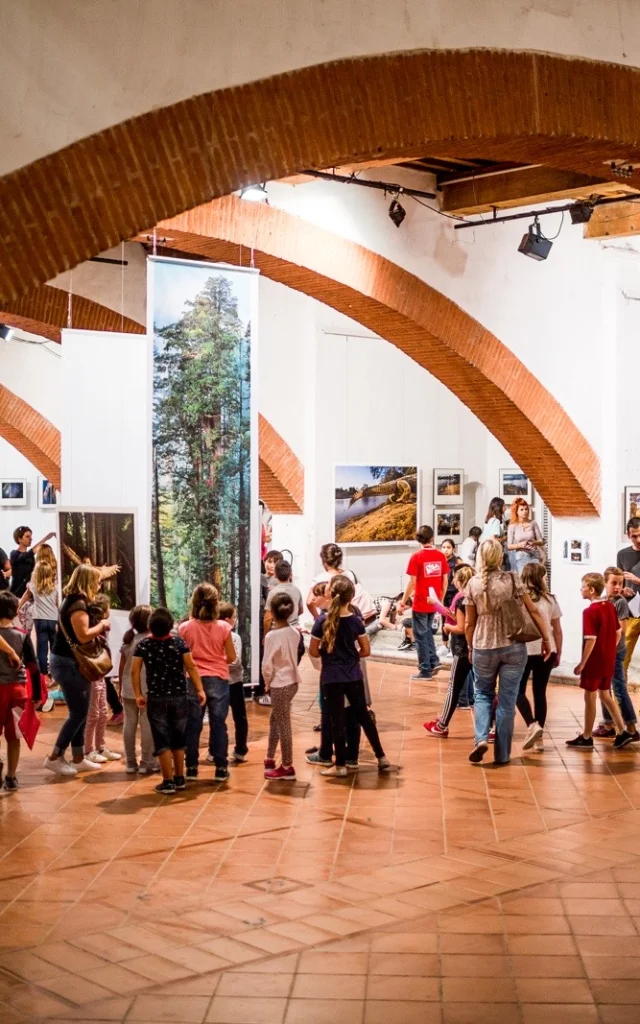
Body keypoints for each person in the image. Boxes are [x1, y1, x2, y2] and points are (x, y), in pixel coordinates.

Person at [465, 537, 551, 766]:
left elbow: (469, 624)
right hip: (513, 647)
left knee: (482, 694)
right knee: (506, 701)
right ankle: (502, 754)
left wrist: (470, 646)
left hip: (483, 645)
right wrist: (546, 638)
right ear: (500, 556)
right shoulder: (513, 579)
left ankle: (481, 738)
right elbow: (533, 610)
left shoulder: (473, 584)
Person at [309, 575, 391, 777]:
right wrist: (351, 656)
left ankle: (341, 766)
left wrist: (329, 656)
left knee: (336, 719)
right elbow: (366, 650)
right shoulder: (355, 621)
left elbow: (313, 651)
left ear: (330, 594)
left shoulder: (322, 621)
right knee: (362, 715)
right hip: (353, 674)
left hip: (331, 676)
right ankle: (381, 757)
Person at [44, 565, 111, 776]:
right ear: (88, 581)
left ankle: (79, 756)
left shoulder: (72, 601)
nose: (99, 585)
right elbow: (83, 636)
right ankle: (55, 756)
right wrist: (102, 626)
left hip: (68, 661)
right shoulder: (78, 604)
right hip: (69, 663)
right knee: (79, 712)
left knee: (81, 711)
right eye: (97, 581)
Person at [132, 607, 206, 794]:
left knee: (162, 739)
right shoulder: (179, 643)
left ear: (150, 626)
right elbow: (191, 666)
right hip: (179, 697)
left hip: (156, 698)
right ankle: (180, 778)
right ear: (170, 625)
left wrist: (138, 694)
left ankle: (168, 781)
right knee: (178, 739)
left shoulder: (143, 645)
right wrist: (199, 689)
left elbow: (134, 671)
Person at [567, 573, 634, 750]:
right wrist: (609, 649)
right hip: (608, 659)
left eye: (582, 586)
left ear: (591, 589)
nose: (580, 589)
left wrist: (582, 663)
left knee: (590, 696)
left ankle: (587, 736)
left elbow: (591, 639)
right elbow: (618, 632)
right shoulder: (609, 607)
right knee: (605, 694)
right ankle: (622, 731)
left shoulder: (590, 611)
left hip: (595, 661)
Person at [179, 583, 236, 783]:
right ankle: (221, 768)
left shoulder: (185, 628)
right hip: (218, 679)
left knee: (193, 725)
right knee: (218, 724)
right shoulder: (224, 627)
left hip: (193, 680)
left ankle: (192, 768)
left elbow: (182, 657)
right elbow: (231, 657)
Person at [515, 562, 563, 752]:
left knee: (517, 691)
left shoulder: (519, 599)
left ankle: (531, 724)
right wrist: (558, 650)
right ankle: (539, 737)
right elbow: (557, 630)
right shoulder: (550, 600)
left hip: (524, 650)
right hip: (547, 650)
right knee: (540, 693)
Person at [424, 564, 476, 737]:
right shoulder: (476, 596)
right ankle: (490, 727)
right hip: (480, 647)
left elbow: (462, 626)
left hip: (463, 648)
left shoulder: (462, 598)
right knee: (484, 689)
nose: (452, 580)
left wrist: (447, 627)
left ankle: (442, 724)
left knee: (453, 687)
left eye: (454, 577)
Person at [0, 591, 41, 790]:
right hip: (17, 690)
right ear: (15, 611)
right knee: (14, 736)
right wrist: (37, 696)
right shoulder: (22, 636)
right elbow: (33, 666)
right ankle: (11, 776)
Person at [398, 525, 449, 681]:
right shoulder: (441, 556)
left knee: (420, 635)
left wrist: (403, 601)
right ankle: (433, 660)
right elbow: (445, 580)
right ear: (432, 538)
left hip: (420, 602)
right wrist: (440, 599)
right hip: (433, 601)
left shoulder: (416, 557)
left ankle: (425, 669)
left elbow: (412, 583)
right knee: (426, 632)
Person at [593, 567, 638, 739]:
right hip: (604, 651)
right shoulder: (604, 600)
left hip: (614, 652)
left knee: (618, 688)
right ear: (605, 583)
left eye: (620, 583)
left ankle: (631, 727)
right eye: (614, 583)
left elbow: (623, 630)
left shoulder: (620, 602)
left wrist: (608, 649)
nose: (617, 587)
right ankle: (608, 722)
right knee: (604, 689)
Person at [262, 592, 301, 781]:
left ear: (273, 613)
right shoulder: (295, 632)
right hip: (292, 681)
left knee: (283, 724)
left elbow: (267, 665)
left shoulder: (271, 636)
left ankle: (287, 765)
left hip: (279, 683)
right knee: (275, 719)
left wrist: (266, 683)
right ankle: (270, 757)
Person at [118, 604, 158, 773]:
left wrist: (121, 687)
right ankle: (147, 761)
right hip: (147, 689)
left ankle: (130, 762)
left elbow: (121, 668)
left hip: (128, 688)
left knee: (129, 724)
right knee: (147, 723)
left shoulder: (128, 641)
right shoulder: (153, 641)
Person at [83, 594, 121, 764]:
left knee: (103, 711)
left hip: (100, 673)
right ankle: (88, 750)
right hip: (92, 673)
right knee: (93, 713)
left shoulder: (101, 632)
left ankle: (100, 746)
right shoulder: (93, 631)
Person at [18, 543, 59, 688]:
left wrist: (18, 606)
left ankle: (43, 677)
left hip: (39, 619)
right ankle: (55, 674)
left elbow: (27, 594)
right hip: (53, 619)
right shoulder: (54, 586)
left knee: (41, 648)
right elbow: (58, 603)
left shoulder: (33, 584)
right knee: (54, 647)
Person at [218, 602, 249, 765]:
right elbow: (235, 661)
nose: (235, 620)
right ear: (227, 619)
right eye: (234, 617)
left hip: (231, 681)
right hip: (228, 682)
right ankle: (217, 750)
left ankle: (240, 749)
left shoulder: (234, 637)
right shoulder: (232, 636)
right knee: (226, 717)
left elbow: (235, 661)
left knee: (237, 717)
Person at [617, 516, 640, 674]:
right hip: (631, 613)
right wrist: (622, 590)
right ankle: (620, 698)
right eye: (634, 536)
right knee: (622, 659)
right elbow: (618, 583)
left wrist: (638, 581)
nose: (638, 539)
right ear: (628, 535)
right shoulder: (622, 554)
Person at [10, 526, 55, 599]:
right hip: (16, 596)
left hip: (29, 596)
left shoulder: (31, 558)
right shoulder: (14, 554)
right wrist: (46, 538)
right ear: (19, 539)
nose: (30, 539)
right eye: (27, 536)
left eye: (31, 536)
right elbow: (28, 554)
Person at [507, 498, 545, 574]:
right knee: (524, 581)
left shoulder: (533, 523)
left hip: (535, 555)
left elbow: (541, 541)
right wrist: (519, 545)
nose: (525, 512)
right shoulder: (512, 526)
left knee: (536, 580)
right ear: (516, 511)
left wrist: (534, 542)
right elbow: (509, 546)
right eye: (521, 509)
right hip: (521, 556)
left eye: (526, 509)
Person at [264, 560, 304, 630]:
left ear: (275, 575)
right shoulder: (297, 591)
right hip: (294, 630)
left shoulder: (273, 592)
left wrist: (265, 635)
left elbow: (268, 618)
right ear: (290, 574)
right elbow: (300, 611)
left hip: (277, 631)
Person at [441, 538, 463, 607]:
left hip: (454, 592)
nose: (446, 550)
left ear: (453, 549)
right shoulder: (440, 561)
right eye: (443, 547)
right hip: (443, 592)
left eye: (448, 547)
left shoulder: (458, 561)